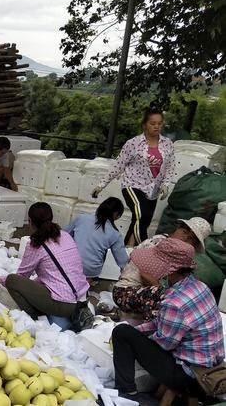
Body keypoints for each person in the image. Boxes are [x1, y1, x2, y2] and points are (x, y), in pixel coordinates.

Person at [111, 248, 224, 399]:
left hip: (189, 375)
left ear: (171, 270)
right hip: (212, 363)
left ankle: (127, 392)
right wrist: (139, 330)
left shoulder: (174, 303)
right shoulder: (200, 286)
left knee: (121, 333)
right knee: (130, 331)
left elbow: (164, 344)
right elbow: (161, 322)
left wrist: (136, 340)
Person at [0, 202, 89, 320]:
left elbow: (21, 277)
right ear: (51, 218)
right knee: (36, 282)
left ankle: (36, 315)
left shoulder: (36, 244)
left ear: (30, 221)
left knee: (12, 280)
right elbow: (55, 273)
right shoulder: (65, 235)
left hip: (66, 305)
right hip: (82, 297)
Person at [93, 109, 175, 247]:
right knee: (141, 215)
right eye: (152, 123)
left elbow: (170, 166)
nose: (156, 126)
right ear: (144, 125)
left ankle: (128, 249)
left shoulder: (167, 144)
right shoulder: (133, 143)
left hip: (152, 190)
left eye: (159, 123)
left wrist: (165, 184)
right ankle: (146, 247)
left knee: (143, 220)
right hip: (133, 185)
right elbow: (118, 165)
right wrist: (101, 184)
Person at [112, 217, 210, 321]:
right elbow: (144, 274)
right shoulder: (160, 244)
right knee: (163, 295)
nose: (185, 238)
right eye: (184, 232)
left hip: (141, 292)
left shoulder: (178, 253)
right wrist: (161, 289)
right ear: (177, 228)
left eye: (190, 238)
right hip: (125, 291)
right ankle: (149, 328)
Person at [65, 197, 128, 279]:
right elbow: (123, 262)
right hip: (90, 271)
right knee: (103, 250)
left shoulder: (81, 218)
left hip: (68, 264)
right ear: (116, 214)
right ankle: (91, 280)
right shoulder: (115, 234)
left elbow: (64, 234)